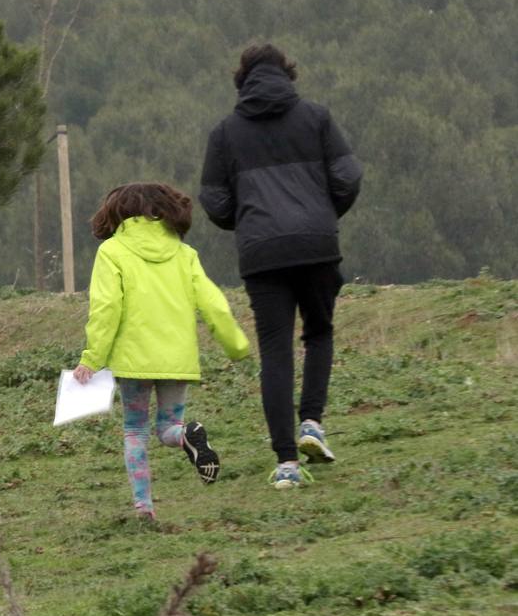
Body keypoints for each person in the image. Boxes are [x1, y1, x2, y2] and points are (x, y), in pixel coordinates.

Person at [199, 44, 363, 489]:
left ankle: (287, 464)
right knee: (319, 333)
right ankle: (312, 422)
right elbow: (348, 176)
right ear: (288, 75)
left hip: (262, 253)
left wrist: (249, 222)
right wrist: (323, 217)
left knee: (275, 351)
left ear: (242, 81)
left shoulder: (225, 133)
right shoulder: (317, 118)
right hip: (316, 245)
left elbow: (213, 198)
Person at [73, 183, 250, 520]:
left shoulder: (112, 252)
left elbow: (106, 308)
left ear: (117, 213)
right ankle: (186, 436)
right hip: (177, 360)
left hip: (134, 362)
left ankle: (144, 508)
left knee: (135, 431)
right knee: (169, 427)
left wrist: (92, 358)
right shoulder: (186, 255)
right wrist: (236, 345)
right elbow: (214, 304)